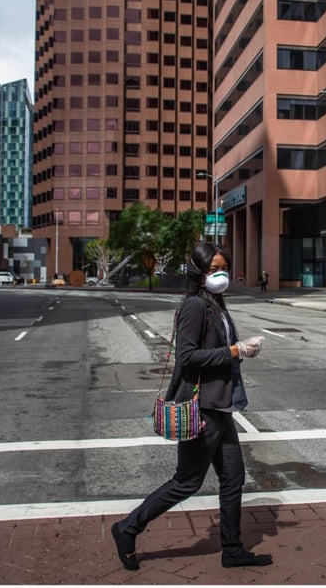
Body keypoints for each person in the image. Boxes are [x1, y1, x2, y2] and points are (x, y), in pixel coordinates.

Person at [111, 242, 270, 571]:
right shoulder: (196, 306)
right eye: (214, 269)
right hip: (202, 407)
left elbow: (220, 348)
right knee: (186, 481)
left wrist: (241, 349)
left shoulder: (215, 302)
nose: (221, 273)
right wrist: (235, 351)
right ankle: (127, 528)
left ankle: (232, 548)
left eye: (224, 266)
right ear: (198, 273)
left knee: (233, 479)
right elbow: (186, 357)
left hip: (219, 406)